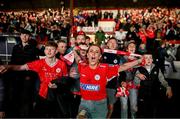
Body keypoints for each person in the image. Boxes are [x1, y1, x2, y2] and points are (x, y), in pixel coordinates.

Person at [0, 41, 68, 118]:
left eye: (51, 49)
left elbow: (66, 80)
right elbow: (22, 67)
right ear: (44, 50)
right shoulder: (39, 63)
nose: (49, 51)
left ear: (56, 51)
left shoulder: (62, 64)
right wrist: (7, 67)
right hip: (42, 95)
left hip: (57, 97)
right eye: (47, 49)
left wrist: (58, 86)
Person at [76, 44, 143, 118]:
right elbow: (77, 58)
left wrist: (139, 60)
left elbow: (124, 66)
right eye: (91, 51)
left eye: (97, 52)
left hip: (100, 105)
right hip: (85, 104)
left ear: (100, 56)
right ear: (87, 55)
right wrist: (74, 50)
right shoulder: (82, 65)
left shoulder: (105, 68)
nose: (94, 53)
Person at [4, 29, 40, 117]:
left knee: (26, 98)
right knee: (15, 96)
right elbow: (13, 61)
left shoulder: (33, 49)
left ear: (29, 37)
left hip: (27, 77)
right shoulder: (15, 47)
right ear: (20, 36)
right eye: (23, 35)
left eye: (26, 35)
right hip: (15, 76)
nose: (24, 37)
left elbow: (34, 64)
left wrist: (29, 76)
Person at [134, 53, 173, 118]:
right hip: (143, 95)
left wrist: (168, 87)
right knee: (142, 113)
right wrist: (137, 76)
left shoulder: (157, 68)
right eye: (146, 58)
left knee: (153, 113)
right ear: (143, 60)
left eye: (150, 58)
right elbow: (136, 83)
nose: (148, 59)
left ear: (152, 60)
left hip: (155, 94)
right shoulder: (139, 69)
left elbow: (162, 80)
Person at [101, 37, 122, 118]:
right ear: (107, 44)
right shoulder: (102, 54)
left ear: (117, 45)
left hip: (112, 85)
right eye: (111, 42)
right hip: (101, 84)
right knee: (102, 106)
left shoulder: (119, 57)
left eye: (114, 43)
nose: (113, 44)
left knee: (111, 106)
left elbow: (122, 70)